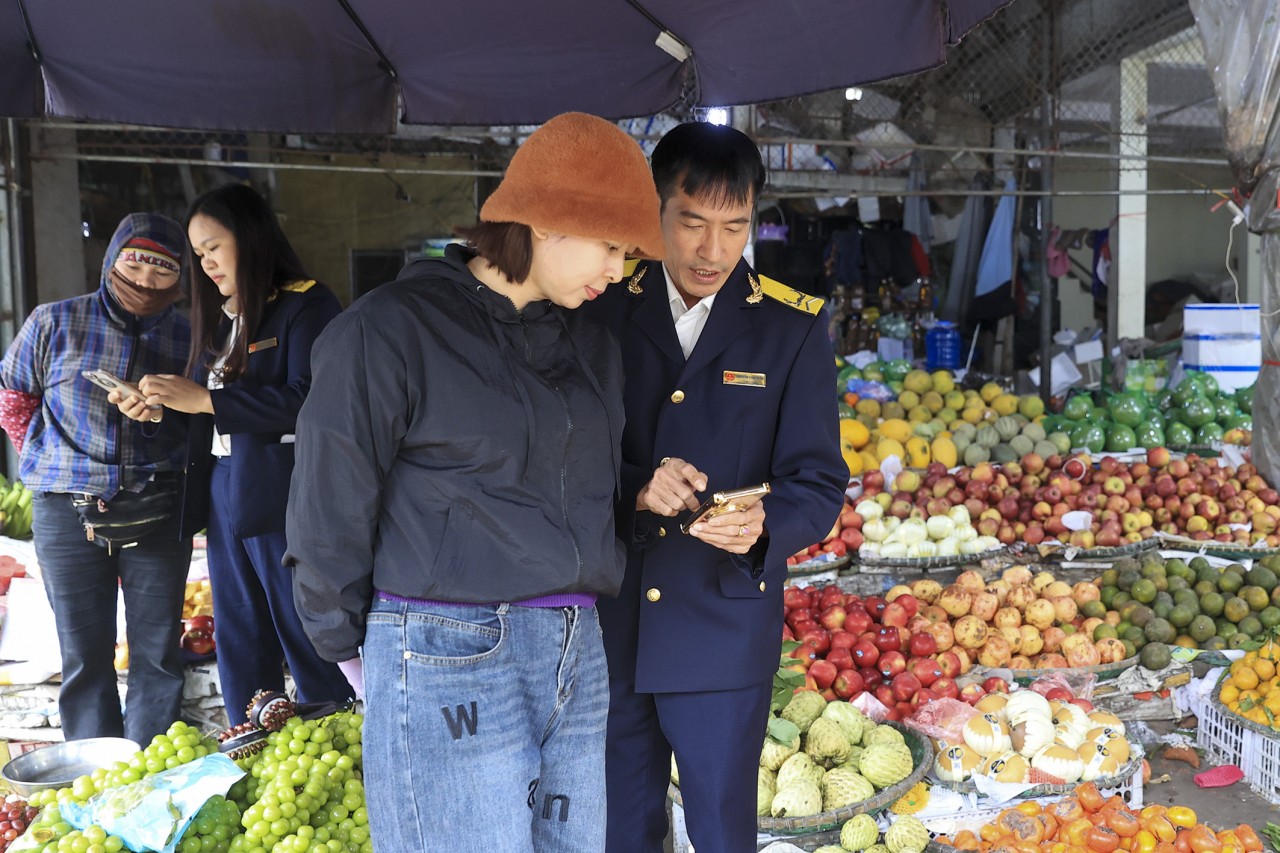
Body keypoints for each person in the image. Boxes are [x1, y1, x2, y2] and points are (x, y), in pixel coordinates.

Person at [282, 112, 664, 851]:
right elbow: (330, 503)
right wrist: (349, 649)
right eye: (612, 247)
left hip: (575, 648)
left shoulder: (592, 344)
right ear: (547, 222)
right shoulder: (390, 328)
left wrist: (640, 494)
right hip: (445, 648)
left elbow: (568, 485)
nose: (618, 272)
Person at [584, 121, 847, 853]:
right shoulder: (599, 310)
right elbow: (558, 456)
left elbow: (818, 480)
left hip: (722, 628)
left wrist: (764, 524)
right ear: (655, 211)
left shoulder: (791, 329)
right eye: (692, 222)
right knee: (618, 830)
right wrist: (636, 488)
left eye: (735, 227)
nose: (713, 250)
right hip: (611, 620)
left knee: (723, 831)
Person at [116, 184, 352, 725]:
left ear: (249, 237)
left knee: (302, 624)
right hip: (224, 484)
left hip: (284, 491)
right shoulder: (223, 317)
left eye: (214, 247)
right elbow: (212, 419)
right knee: (239, 628)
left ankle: (334, 731)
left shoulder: (306, 304)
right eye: (199, 254)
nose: (206, 263)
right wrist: (160, 411)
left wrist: (206, 399)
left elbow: (311, 398)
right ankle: (251, 738)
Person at [0, 213, 193, 744]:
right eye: (136, 262)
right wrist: (48, 460)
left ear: (181, 276)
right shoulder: (53, 322)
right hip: (66, 510)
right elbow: (13, 397)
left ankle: (149, 768)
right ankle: (95, 768)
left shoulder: (190, 336)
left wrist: (160, 416)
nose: (147, 279)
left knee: (158, 654)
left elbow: (203, 420)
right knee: (84, 655)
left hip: (159, 505)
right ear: (111, 260)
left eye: (163, 268)